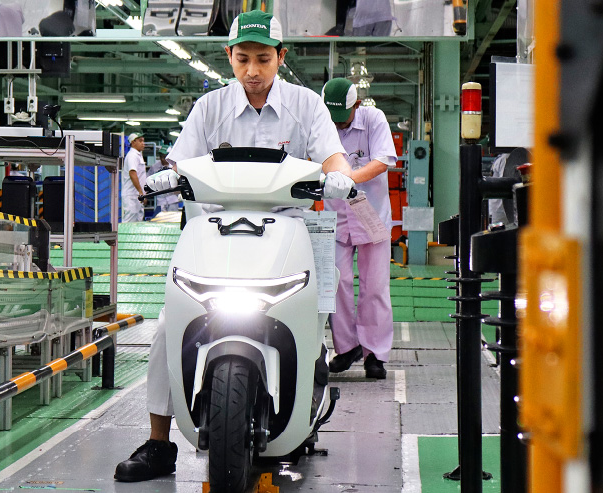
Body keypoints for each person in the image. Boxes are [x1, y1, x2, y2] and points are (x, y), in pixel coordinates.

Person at [114, 10, 357, 483]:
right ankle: (159, 443)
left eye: (263, 59)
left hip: (287, 232)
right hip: (214, 235)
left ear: (281, 57)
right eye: (243, 59)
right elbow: (180, 163)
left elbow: (334, 158)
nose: (252, 70)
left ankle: (302, 407)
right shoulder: (210, 108)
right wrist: (166, 176)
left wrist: (339, 177)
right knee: (167, 326)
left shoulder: (306, 105)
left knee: (310, 320)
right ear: (229, 56)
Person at [320, 78, 397, 379]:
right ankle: (347, 347)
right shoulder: (322, 122)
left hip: (371, 216)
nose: (338, 124)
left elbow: (383, 160)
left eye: (343, 117)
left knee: (374, 287)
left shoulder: (373, 119)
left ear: (357, 105)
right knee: (336, 283)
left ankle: (374, 354)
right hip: (337, 218)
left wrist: (348, 178)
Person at [120, 132, 147, 222]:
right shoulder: (132, 156)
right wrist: (141, 192)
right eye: (140, 141)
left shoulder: (138, 155)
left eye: (143, 141)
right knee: (129, 220)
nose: (143, 143)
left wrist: (143, 193)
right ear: (133, 142)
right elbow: (132, 173)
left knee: (138, 220)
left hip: (137, 195)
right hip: (132, 195)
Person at [150, 146, 182, 213]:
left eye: (164, 156)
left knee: (173, 218)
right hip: (160, 201)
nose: (162, 159)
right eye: (161, 156)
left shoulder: (175, 167)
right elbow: (149, 180)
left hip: (172, 200)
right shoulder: (154, 167)